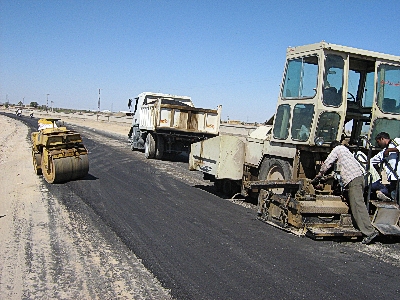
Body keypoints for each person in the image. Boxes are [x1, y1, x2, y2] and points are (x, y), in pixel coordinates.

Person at [314, 141, 379, 244]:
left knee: (358, 206)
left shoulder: (337, 149)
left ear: (332, 148)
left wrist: (319, 175)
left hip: (353, 180)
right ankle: (362, 228)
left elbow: (327, 163)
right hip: (360, 178)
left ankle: (369, 232)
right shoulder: (347, 151)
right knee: (356, 204)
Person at [370, 132, 400, 201]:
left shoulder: (397, 141)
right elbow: (372, 161)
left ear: (382, 139)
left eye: (378, 142)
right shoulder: (383, 152)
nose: (378, 144)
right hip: (393, 178)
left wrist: (390, 150)